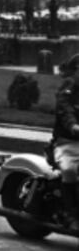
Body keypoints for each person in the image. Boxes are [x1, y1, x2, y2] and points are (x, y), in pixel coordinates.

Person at [53, 53, 79, 230]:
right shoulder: (68, 88)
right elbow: (64, 109)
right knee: (70, 170)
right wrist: (73, 126)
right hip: (67, 142)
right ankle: (71, 214)